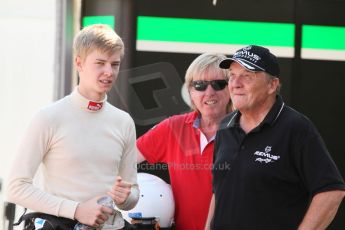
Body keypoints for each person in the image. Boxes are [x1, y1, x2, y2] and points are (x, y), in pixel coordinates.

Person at [6, 24, 139, 229]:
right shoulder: (48, 117)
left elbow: (132, 196)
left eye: (114, 64)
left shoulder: (124, 121)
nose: (109, 72)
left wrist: (125, 198)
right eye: (100, 63)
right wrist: (76, 210)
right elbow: (15, 187)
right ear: (79, 63)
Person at [206, 45, 345, 230]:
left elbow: (331, 191)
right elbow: (219, 191)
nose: (235, 83)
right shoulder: (225, 126)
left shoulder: (296, 128)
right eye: (232, 75)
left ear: (272, 85)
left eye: (247, 75)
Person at [136, 53, 231, 230]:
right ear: (190, 92)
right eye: (200, 85)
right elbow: (121, 160)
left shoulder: (247, 132)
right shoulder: (173, 128)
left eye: (218, 84)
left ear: (230, 88)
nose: (209, 92)